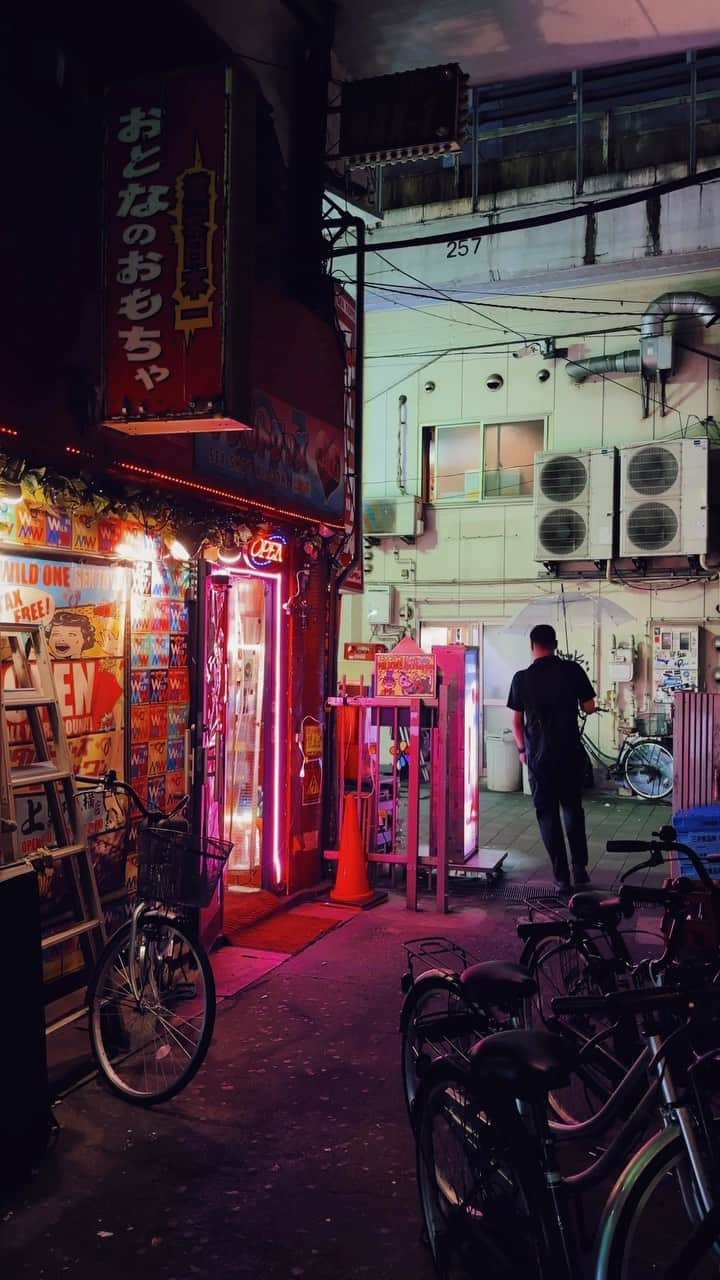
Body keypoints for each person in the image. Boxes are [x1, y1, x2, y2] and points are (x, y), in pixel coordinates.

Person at [507, 623, 596, 894]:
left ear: (533, 646)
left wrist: (522, 750)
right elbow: (589, 707)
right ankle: (580, 869)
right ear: (555, 644)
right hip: (569, 753)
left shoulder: (521, 678)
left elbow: (516, 722)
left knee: (547, 816)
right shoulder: (572, 670)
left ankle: (561, 878)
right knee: (572, 810)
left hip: (538, 757)